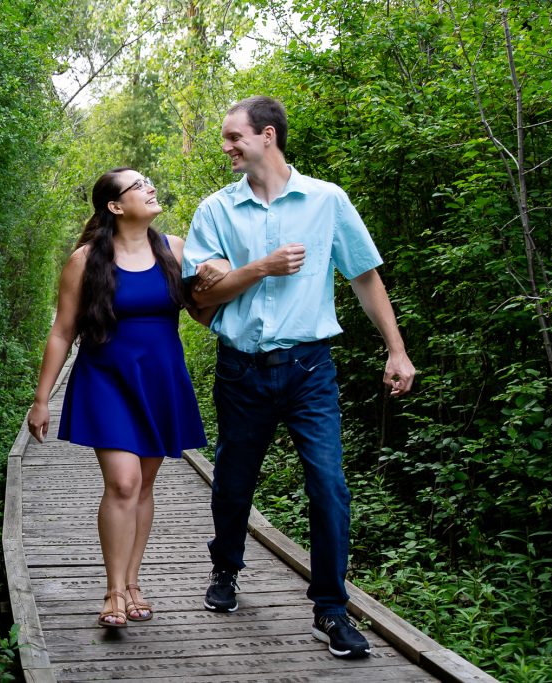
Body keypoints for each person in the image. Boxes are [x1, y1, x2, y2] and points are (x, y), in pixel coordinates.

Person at [182, 96, 416, 658]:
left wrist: (397, 350)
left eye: (234, 136)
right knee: (234, 482)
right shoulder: (215, 209)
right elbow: (201, 296)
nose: (226, 147)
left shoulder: (326, 200)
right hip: (241, 370)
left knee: (329, 484)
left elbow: (364, 275)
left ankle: (330, 610)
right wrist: (256, 268)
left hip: (311, 368)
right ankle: (226, 569)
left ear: (267, 136)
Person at [28, 168, 217, 628]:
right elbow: (62, 331)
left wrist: (221, 276)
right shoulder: (86, 259)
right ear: (115, 206)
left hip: (160, 380)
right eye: (138, 185)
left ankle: (134, 583)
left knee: (144, 486)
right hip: (106, 379)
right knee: (124, 483)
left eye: (148, 181)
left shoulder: (173, 248)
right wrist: (41, 398)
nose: (150, 187)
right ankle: (113, 591)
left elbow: (201, 312)